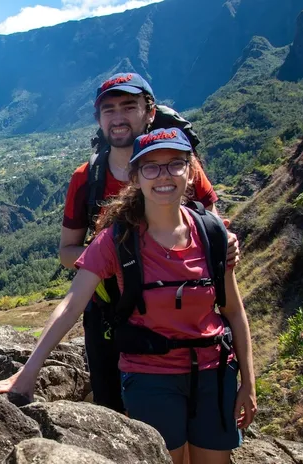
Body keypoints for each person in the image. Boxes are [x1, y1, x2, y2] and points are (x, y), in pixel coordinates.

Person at [0, 128, 257, 464]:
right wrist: (27, 374)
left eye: (175, 164)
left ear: (190, 171)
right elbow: (71, 305)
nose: (164, 175)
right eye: (151, 167)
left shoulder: (212, 235)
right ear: (135, 176)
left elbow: (233, 310)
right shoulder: (117, 240)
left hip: (214, 373)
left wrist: (248, 383)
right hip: (151, 376)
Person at [59, 72, 238, 413]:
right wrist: (119, 257)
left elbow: (213, 232)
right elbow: (67, 252)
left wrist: (227, 244)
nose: (118, 117)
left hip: (180, 318)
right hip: (109, 317)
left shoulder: (182, 169)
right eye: (109, 109)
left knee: (188, 415)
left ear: (150, 112)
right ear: (99, 119)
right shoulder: (86, 179)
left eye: (129, 106)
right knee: (113, 414)